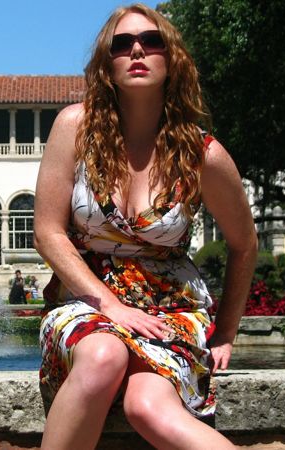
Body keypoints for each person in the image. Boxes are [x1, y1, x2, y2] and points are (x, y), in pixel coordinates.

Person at [33, 4, 257, 450]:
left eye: (151, 41)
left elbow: (245, 244)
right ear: (107, 63)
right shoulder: (74, 128)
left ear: (171, 58)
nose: (137, 50)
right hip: (88, 299)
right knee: (102, 356)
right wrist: (111, 305)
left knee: (147, 407)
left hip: (170, 309)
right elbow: (47, 233)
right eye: (122, 44)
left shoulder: (201, 155)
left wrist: (226, 332)